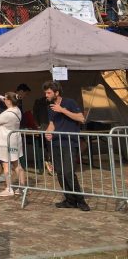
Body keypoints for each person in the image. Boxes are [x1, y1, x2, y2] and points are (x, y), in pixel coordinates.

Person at [43, 80, 89, 211]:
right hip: (56, 142)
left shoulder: (69, 102)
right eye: (45, 93)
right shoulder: (50, 107)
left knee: (69, 172)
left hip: (69, 142)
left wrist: (62, 110)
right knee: (60, 172)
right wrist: (47, 132)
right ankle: (69, 200)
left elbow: (81, 118)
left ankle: (80, 200)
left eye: (49, 92)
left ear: (56, 92)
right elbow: (52, 123)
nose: (46, 95)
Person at [0, 92, 27, 196]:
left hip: (5, 142)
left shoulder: (8, 114)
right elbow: (5, 98)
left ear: (9, 101)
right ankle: (22, 187)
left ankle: (9, 188)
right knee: (16, 164)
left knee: (6, 165)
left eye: (6, 99)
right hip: (14, 140)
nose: (4, 100)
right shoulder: (17, 110)